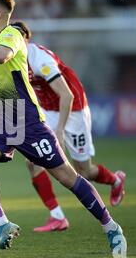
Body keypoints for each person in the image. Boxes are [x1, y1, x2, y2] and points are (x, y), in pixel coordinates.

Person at [0, 0, 127, 258]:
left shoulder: (12, 36)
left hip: (28, 123)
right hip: (2, 119)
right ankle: (4, 225)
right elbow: (0, 84)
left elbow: (2, 57)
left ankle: (111, 227)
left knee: (68, 177)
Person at [8, 20, 126, 233]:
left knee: (84, 170)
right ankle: (57, 216)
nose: (12, 41)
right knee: (33, 161)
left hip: (73, 110)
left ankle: (115, 180)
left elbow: (66, 95)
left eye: (16, 37)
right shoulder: (12, 59)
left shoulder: (39, 59)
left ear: (25, 39)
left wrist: (60, 130)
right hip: (48, 110)